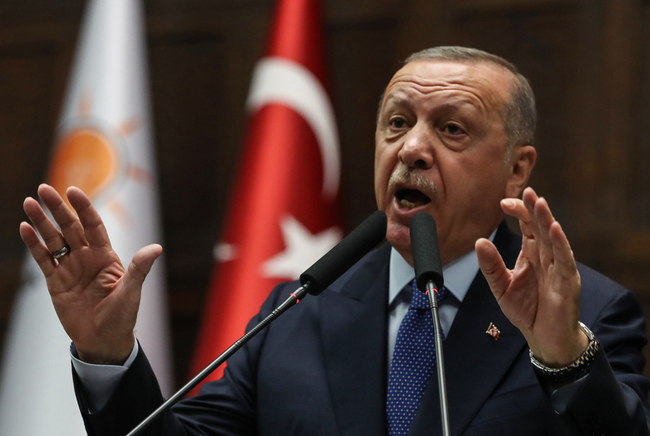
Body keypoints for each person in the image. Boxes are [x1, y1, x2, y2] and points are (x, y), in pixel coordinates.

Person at [20, 46, 650, 435]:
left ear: (517, 167)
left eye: (452, 129)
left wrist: (564, 358)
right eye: (397, 123)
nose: (411, 149)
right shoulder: (298, 310)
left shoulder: (587, 315)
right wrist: (108, 357)